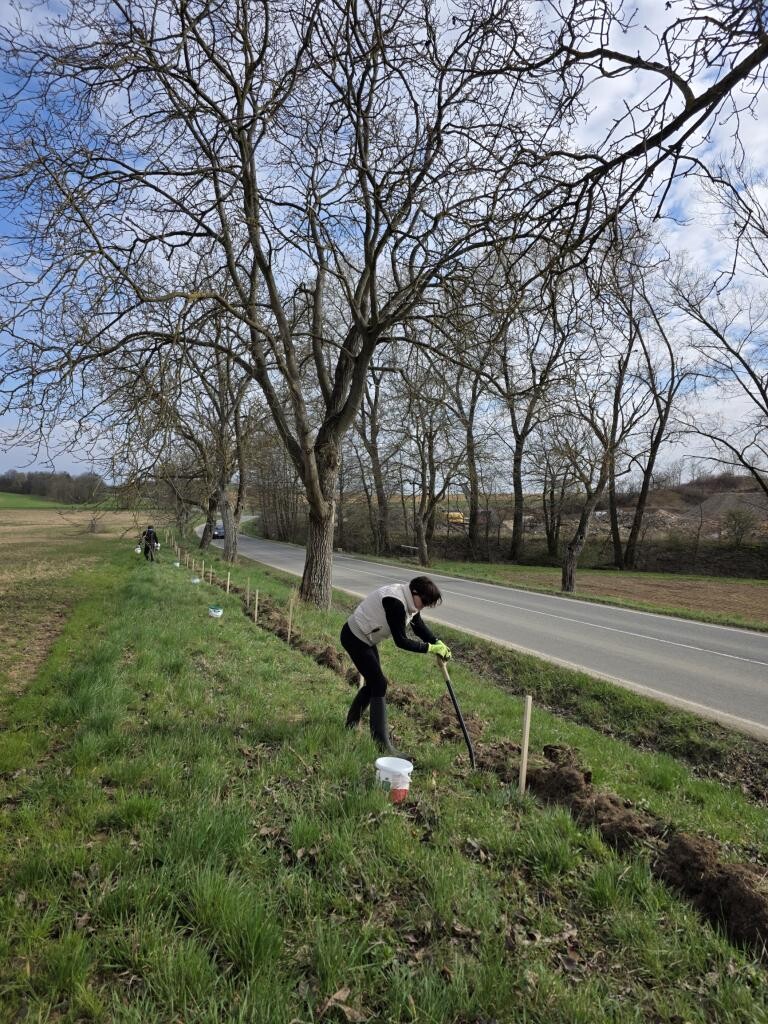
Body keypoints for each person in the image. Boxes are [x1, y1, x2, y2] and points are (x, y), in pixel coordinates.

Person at [341, 576, 451, 754]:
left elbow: (417, 624)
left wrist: (438, 642)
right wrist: (430, 648)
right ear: (415, 592)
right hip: (355, 637)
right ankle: (381, 744)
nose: (423, 606)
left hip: (366, 639)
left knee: (374, 683)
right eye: (424, 602)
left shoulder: (410, 600)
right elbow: (401, 641)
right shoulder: (396, 603)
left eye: (427, 604)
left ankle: (351, 725)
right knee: (379, 684)